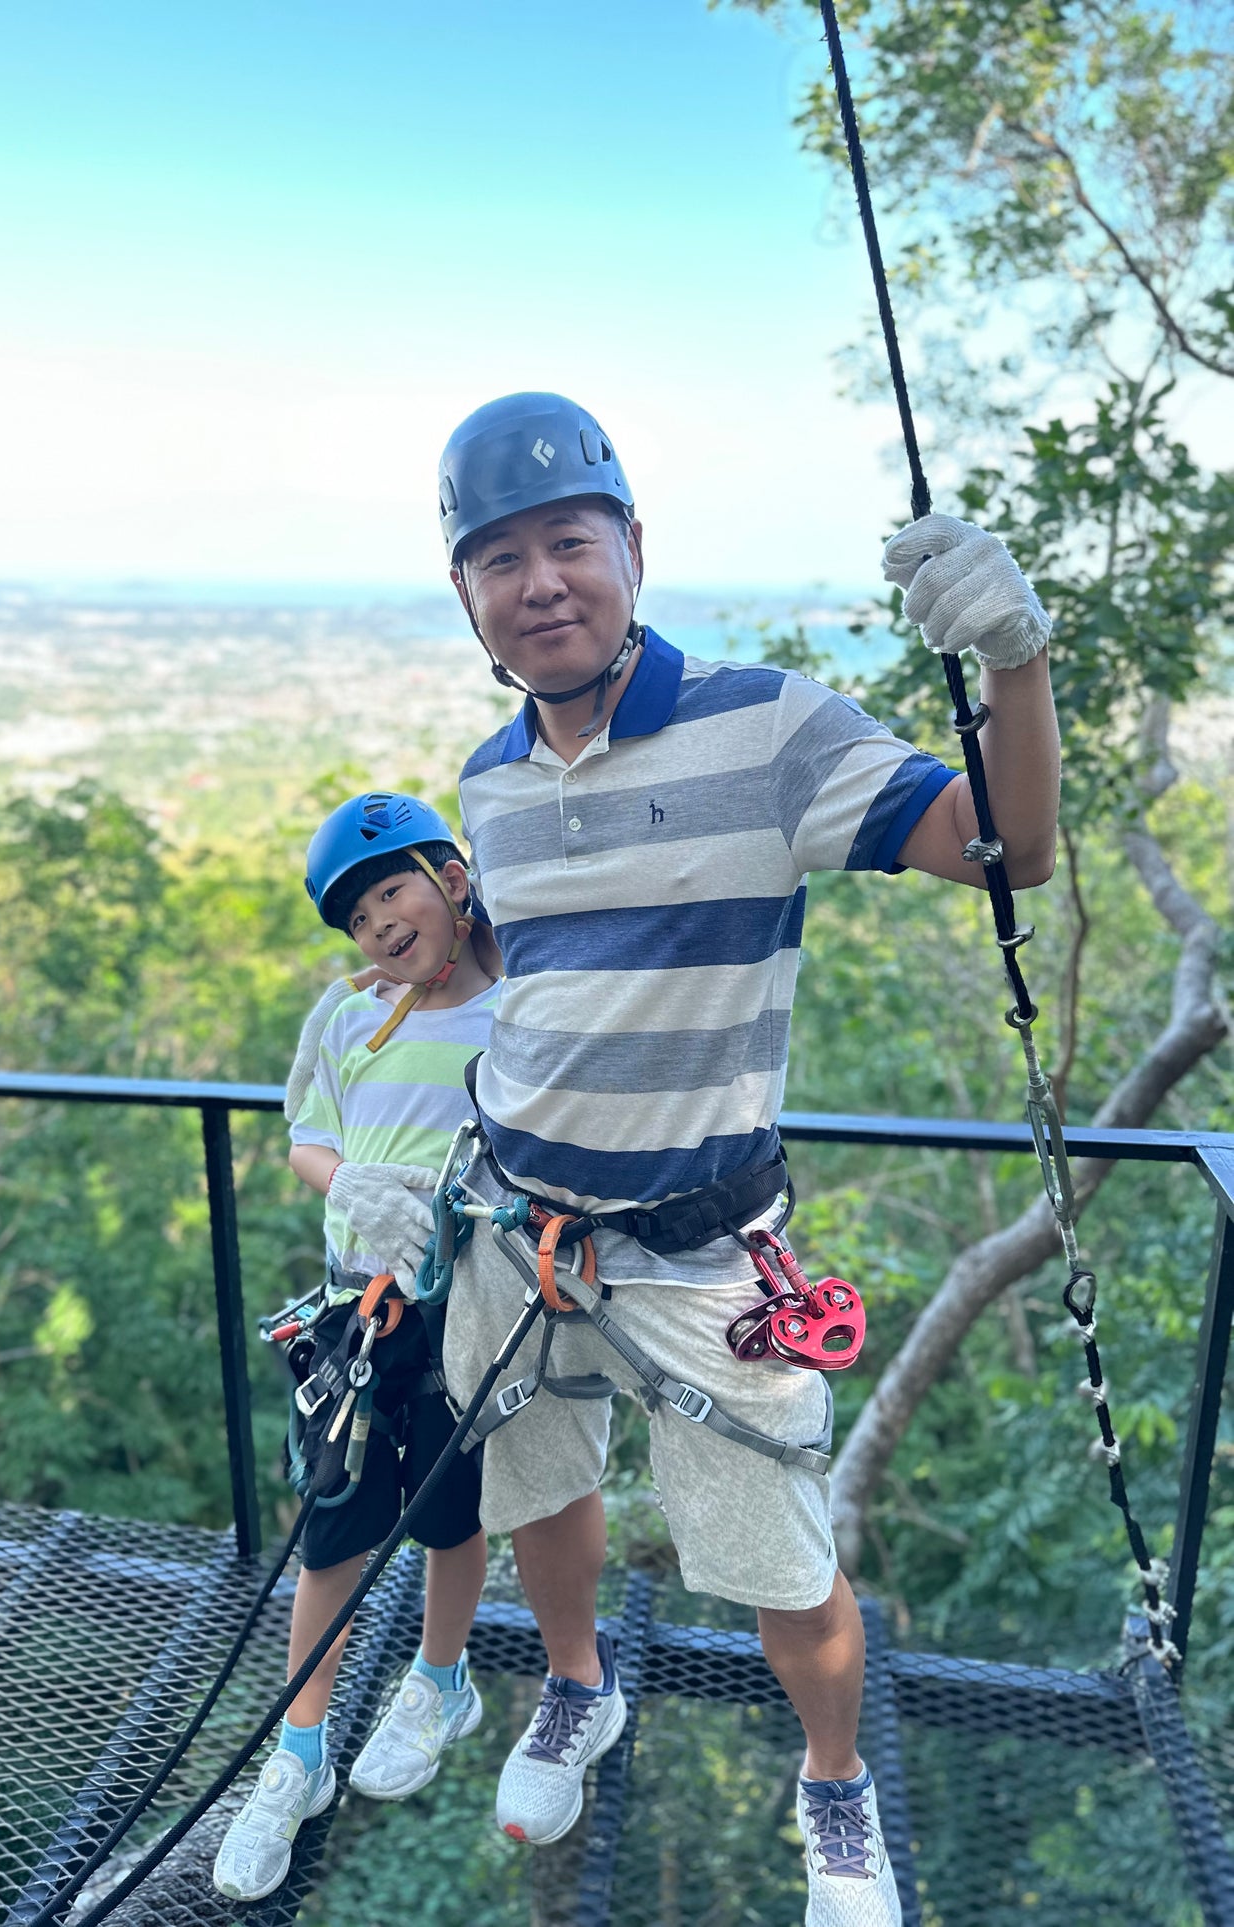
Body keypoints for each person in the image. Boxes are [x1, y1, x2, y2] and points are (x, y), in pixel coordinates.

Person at [434, 393, 1060, 1925]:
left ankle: (832, 1783)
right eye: (499, 556)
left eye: (569, 541)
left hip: (707, 1245)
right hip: (514, 1226)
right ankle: (574, 1682)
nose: (541, 581)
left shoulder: (772, 729)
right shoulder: (487, 785)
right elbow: (543, 992)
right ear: (466, 595)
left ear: (632, 548)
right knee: (533, 1478)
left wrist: (1014, 662)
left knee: (781, 1557)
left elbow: (1006, 846)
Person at [213, 792, 500, 1904]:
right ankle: (297, 1753)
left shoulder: (511, 1010)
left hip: (464, 1305)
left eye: (392, 890)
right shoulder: (344, 1015)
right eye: (356, 915)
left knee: (447, 1509)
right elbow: (309, 1140)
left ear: (452, 877)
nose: (378, 924)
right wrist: (359, 1187)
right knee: (330, 1521)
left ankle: (440, 1676)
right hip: (355, 1304)